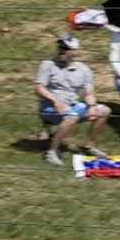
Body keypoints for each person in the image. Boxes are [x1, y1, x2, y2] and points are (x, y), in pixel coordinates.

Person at [36, 34, 113, 165]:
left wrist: (92, 106)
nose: (62, 51)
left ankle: (89, 146)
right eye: (61, 47)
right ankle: (52, 152)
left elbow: (89, 93)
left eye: (66, 48)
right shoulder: (48, 65)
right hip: (50, 107)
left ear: (74, 52)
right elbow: (40, 88)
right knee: (72, 115)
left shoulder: (83, 69)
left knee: (104, 110)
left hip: (73, 106)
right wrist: (56, 101)